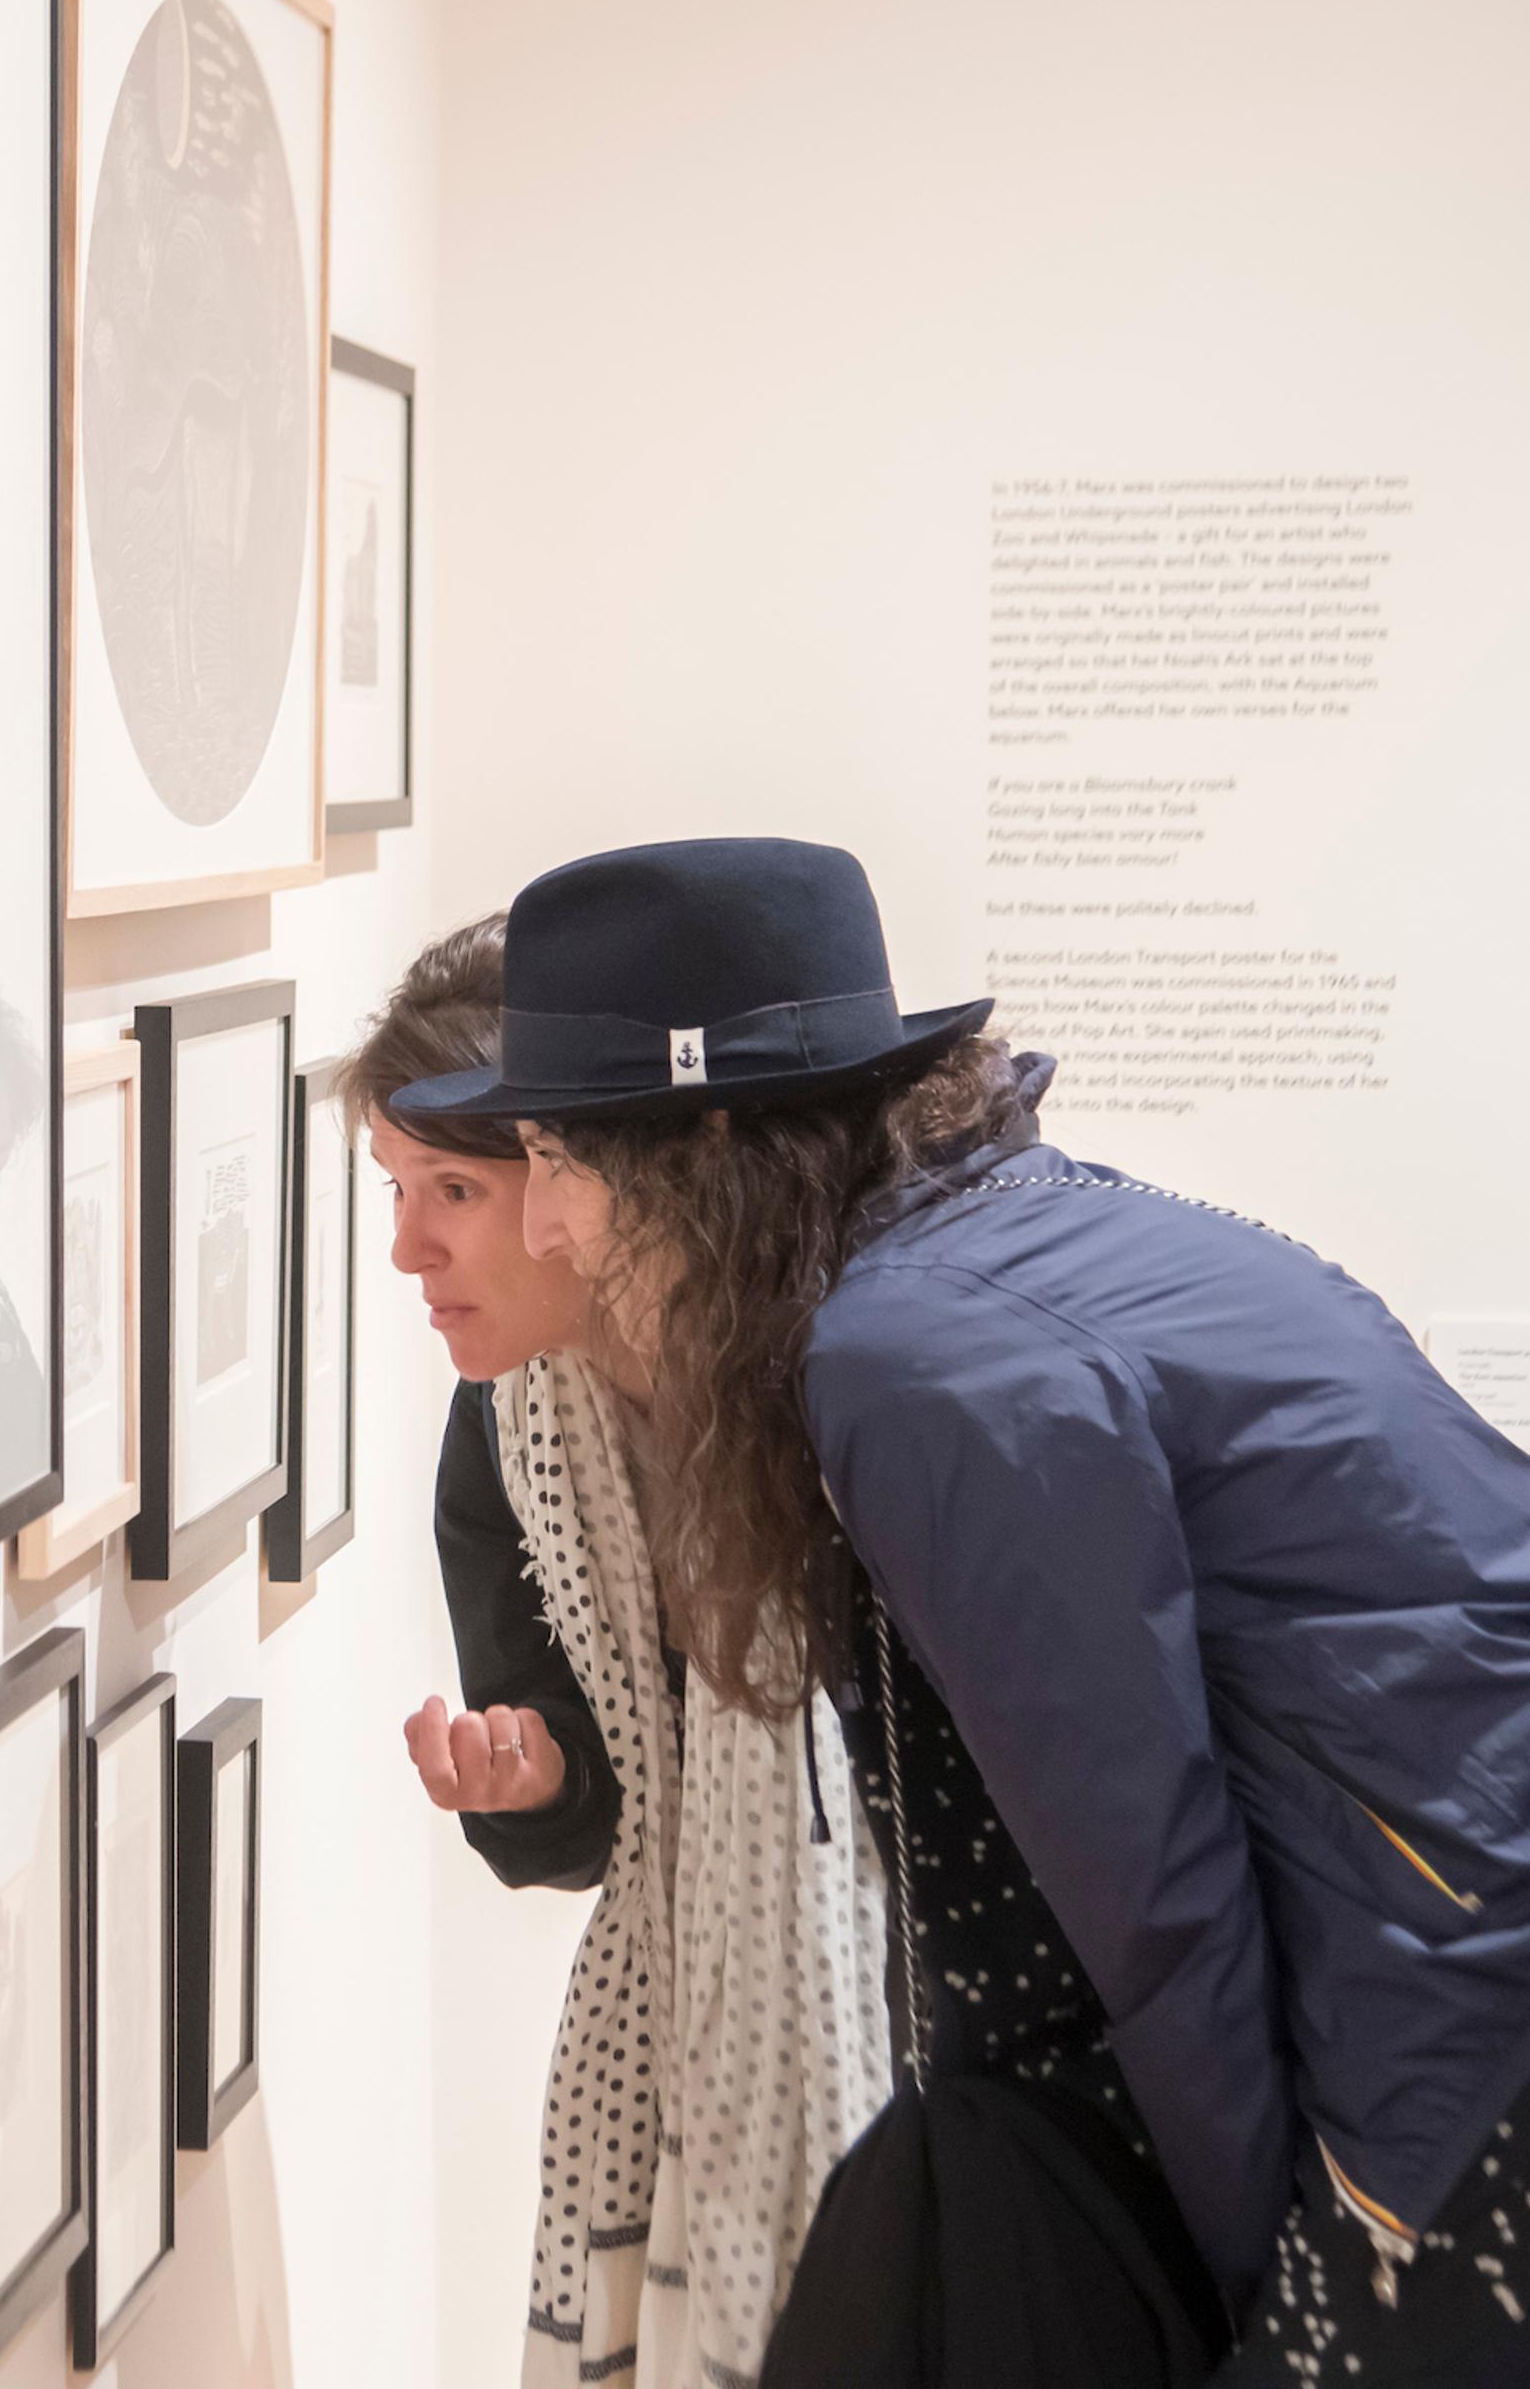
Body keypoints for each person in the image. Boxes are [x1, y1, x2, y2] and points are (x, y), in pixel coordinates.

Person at [395, 837, 1530, 2387]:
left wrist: (1244, 2307)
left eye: (557, 1160)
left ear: (698, 1152)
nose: (546, 1224)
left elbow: (1154, 1908)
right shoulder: (1004, 1230)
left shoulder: (908, 1360)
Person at [350, 917, 896, 2389]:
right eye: (394, 1192)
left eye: (454, 1190)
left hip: (911, 2032)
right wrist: (532, 1785)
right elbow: (600, 1805)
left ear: (584, 1184)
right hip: (671, 2043)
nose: (410, 1249)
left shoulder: (853, 1380)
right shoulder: (509, 1438)